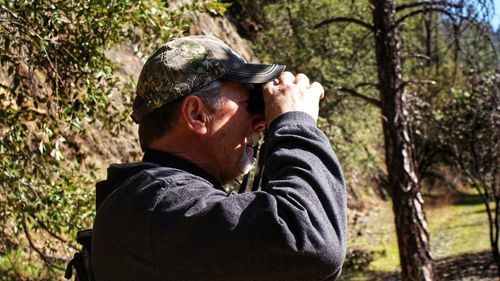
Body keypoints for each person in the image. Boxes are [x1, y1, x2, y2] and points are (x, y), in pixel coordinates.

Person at [91, 35, 347, 281]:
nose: (262, 122)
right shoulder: (164, 207)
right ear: (197, 114)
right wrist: (294, 122)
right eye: (252, 103)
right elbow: (312, 244)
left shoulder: (149, 201)